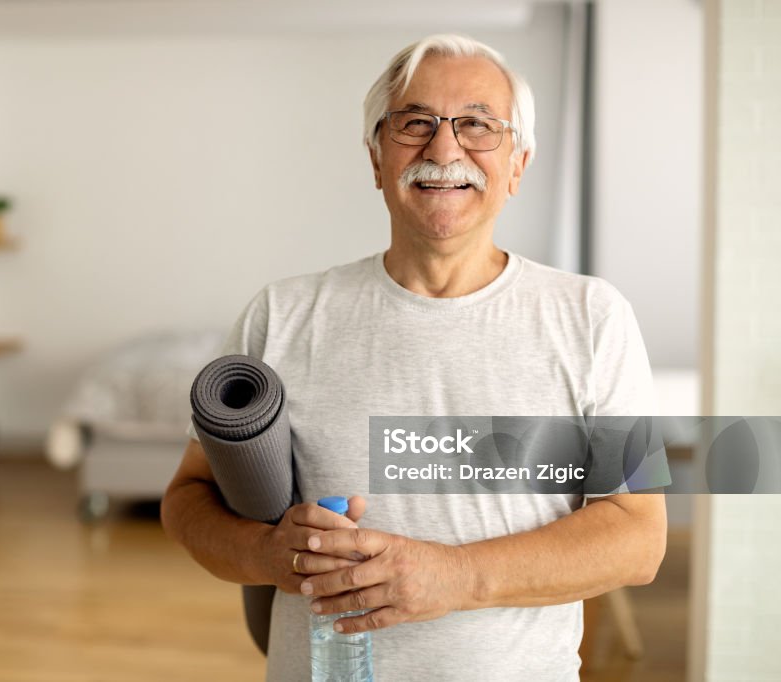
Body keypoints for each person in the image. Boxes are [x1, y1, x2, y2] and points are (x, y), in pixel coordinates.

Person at [161, 34, 667, 681]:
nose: (444, 147)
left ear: (519, 163)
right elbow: (187, 498)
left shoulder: (595, 317)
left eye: (477, 124)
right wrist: (265, 553)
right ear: (376, 157)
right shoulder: (280, 315)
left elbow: (638, 537)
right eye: (415, 122)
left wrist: (455, 576)